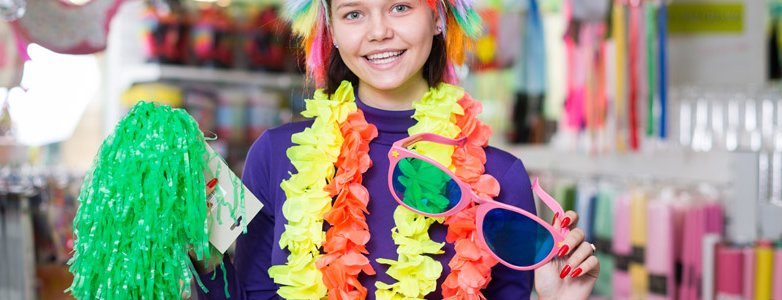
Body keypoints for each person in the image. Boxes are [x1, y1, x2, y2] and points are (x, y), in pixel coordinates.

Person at [191, 0, 599, 299]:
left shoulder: (499, 178)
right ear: (331, 28)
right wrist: (189, 245)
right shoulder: (276, 155)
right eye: (354, 13)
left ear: (438, 16)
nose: (379, 31)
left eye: (400, 7)